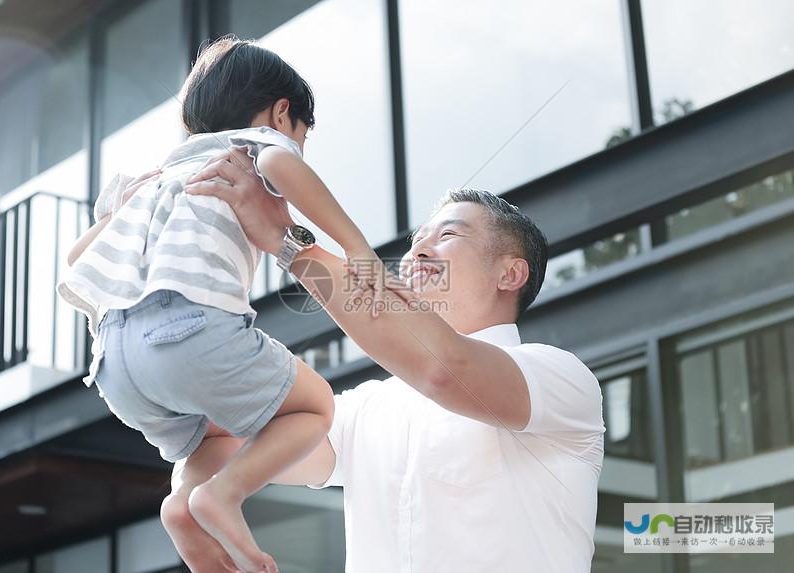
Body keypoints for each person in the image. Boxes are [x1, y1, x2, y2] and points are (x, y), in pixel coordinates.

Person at [58, 36, 396, 573]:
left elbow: (78, 259)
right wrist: (358, 252)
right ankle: (222, 497)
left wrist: (116, 214)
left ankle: (185, 509)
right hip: (190, 331)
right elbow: (289, 173)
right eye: (300, 137)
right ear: (281, 114)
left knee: (215, 439)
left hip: (115, 364)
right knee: (314, 407)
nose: (295, 151)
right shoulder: (252, 145)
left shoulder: (153, 178)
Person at [181, 150, 607, 572]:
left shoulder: (559, 379)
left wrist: (286, 240)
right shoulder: (362, 409)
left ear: (510, 275)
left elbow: (445, 370)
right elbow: (227, 440)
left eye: (448, 236)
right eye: (416, 240)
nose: (417, 252)